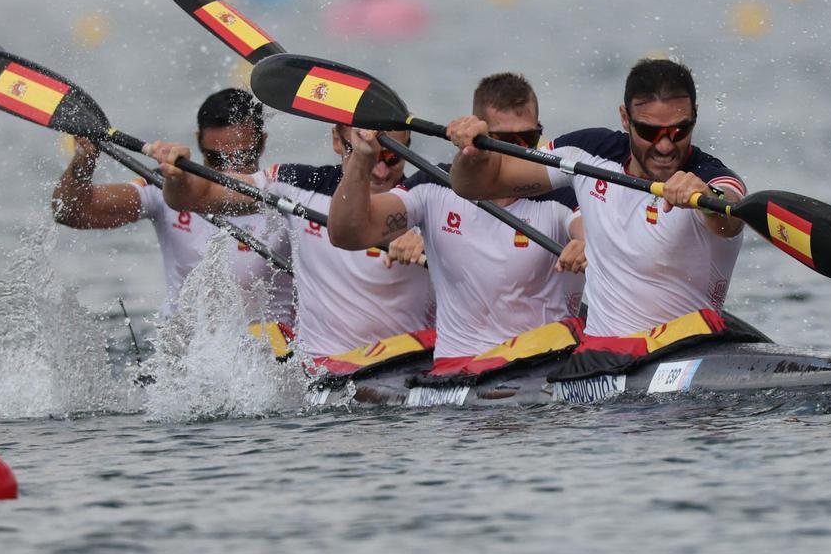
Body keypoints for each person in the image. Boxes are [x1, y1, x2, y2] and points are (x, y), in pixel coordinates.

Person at [449, 58, 746, 340]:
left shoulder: (712, 177)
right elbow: (475, 186)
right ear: (624, 118)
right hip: (605, 357)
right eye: (649, 132)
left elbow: (730, 217)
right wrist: (472, 155)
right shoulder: (588, 153)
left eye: (680, 130)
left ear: (695, 116)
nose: (665, 146)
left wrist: (707, 198)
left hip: (683, 347)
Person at [326, 73, 586, 370]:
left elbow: (588, 231)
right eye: (503, 141)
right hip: (457, 372)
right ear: (475, 138)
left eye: (527, 139)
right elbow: (348, 234)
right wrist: (361, 157)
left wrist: (588, 244)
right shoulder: (433, 187)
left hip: (541, 365)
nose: (519, 151)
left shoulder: (561, 194)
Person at [144, 124, 434, 360]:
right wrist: (180, 178)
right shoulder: (295, 183)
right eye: (365, 155)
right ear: (337, 139)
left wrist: (433, 244)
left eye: (392, 158)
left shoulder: (429, 199)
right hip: (322, 370)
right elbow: (200, 195)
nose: (379, 171)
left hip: (409, 361)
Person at [52, 88, 294, 327]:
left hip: (274, 347)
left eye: (243, 157)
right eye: (217, 159)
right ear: (199, 140)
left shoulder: (288, 197)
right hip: (186, 347)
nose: (229, 173)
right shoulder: (165, 186)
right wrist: (84, 161)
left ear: (262, 143)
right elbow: (71, 211)